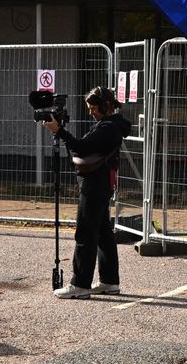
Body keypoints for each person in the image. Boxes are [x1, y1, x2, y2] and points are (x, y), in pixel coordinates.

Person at [42, 84, 130, 299]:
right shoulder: (111, 125)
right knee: (102, 233)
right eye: (89, 108)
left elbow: (81, 147)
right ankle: (110, 281)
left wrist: (60, 131)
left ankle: (80, 284)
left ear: (106, 106)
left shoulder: (107, 127)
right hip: (103, 183)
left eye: (93, 108)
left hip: (95, 184)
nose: (91, 112)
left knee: (85, 233)